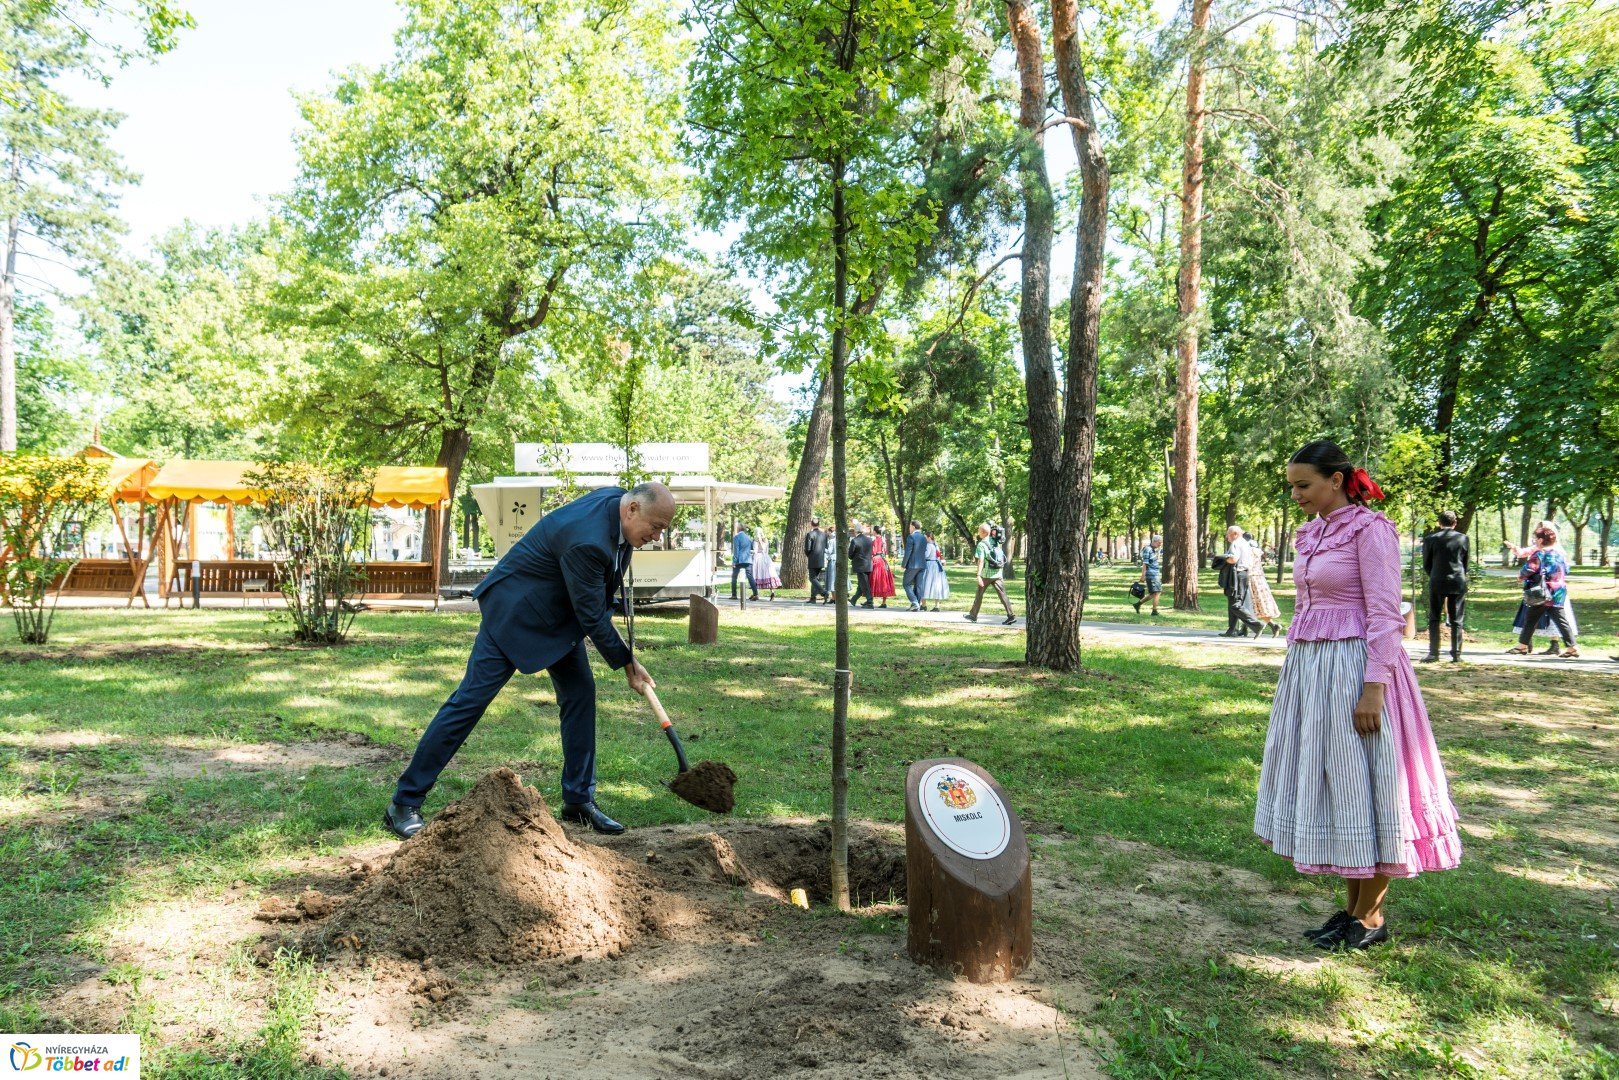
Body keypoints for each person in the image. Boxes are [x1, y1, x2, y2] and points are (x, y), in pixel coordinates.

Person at [1254, 440, 1461, 950]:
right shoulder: (1311, 534)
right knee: (1342, 787)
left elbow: (1386, 614)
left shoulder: (1371, 530)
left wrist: (1373, 690)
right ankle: (1351, 911)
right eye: (1293, 487)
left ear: (1337, 480)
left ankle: (1371, 918)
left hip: (1359, 672)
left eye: (1304, 485)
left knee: (1373, 784)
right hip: (1314, 673)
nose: (1297, 495)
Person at [385, 482, 676, 840]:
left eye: (663, 528)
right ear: (631, 509)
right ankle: (404, 801)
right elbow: (591, 615)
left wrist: (627, 658)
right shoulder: (587, 539)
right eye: (656, 527)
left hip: (556, 614)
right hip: (515, 612)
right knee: (470, 701)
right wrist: (627, 663)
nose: (657, 536)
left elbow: (593, 599)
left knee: (580, 694)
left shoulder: (615, 501)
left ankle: (578, 799)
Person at [1506, 523, 1578, 658]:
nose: (1534, 541)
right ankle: (1572, 647)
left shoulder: (1539, 554)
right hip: (1559, 592)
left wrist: (1521, 576)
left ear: (1540, 540)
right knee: (1561, 620)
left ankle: (1522, 646)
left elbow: (1528, 570)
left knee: (1530, 619)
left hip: (1543, 593)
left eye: (1535, 538)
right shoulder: (1560, 554)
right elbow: (1566, 570)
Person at [1420, 509, 1469, 663]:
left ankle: (1434, 653)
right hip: (1457, 581)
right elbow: (1465, 562)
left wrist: (1434, 574)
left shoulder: (1430, 539)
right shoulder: (1463, 539)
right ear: (1455, 523)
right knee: (1457, 618)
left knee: (1434, 617)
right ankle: (1456, 654)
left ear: (1439, 523)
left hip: (1437, 580)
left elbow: (1426, 563)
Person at [964, 523, 1016, 625]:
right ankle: (1011, 615)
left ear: (983, 532)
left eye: (979, 531)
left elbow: (981, 561)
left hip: (986, 575)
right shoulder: (995, 541)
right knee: (1003, 594)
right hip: (997, 573)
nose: (978, 532)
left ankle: (973, 616)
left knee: (979, 595)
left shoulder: (981, 544)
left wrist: (978, 575)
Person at [1218, 525, 1264, 638]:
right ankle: (1232, 630)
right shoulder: (1245, 543)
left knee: (1235, 604)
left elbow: (1233, 559)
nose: (1226, 536)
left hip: (1237, 575)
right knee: (1234, 602)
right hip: (1244, 575)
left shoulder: (1236, 543)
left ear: (1235, 534)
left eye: (1228, 534)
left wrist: (1222, 559)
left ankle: (1256, 624)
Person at [1242, 534, 1284, 637]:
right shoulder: (1257, 551)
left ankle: (1271, 626)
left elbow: (1247, 565)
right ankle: (1245, 629)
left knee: (1248, 604)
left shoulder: (1248, 551)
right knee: (1259, 605)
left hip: (1251, 578)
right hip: (1259, 578)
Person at [901, 520, 929, 611]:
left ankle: (915, 602)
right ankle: (916, 605)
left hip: (913, 565)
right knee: (918, 585)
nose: (909, 529)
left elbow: (908, 552)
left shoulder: (911, 537)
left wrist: (903, 564)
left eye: (910, 527)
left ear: (913, 527)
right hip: (922, 565)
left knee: (906, 583)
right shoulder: (924, 538)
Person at [803, 518, 831, 604]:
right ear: (819, 524)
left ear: (811, 524)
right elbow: (826, 547)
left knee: (812, 579)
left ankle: (824, 592)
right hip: (821, 559)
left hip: (813, 559)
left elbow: (807, 549)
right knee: (815, 578)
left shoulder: (810, 534)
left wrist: (809, 555)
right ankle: (813, 598)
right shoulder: (824, 535)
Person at [920, 532, 950, 611]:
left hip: (929, 565)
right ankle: (937, 606)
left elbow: (926, 555)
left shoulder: (928, 545)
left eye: (925, 537)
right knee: (936, 584)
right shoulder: (935, 545)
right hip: (937, 565)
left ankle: (923, 604)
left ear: (929, 537)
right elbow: (939, 555)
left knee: (924, 583)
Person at [869, 525, 897, 608]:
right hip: (882, 560)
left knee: (873, 579)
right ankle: (884, 602)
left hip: (875, 560)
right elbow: (885, 551)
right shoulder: (883, 539)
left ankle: (870, 601)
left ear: (874, 531)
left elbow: (873, 551)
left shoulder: (874, 540)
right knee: (884, 580)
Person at [848, 522, 874, 607]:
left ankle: (870, 602)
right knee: (861, 583)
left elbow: (850, 554)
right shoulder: (869, 540)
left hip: (860, 565)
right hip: (868, 564)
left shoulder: (854, 540)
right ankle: (854, 599)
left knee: (864, 584)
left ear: (855, 531)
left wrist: (852, 557)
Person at [1136, 534, 1163, 616]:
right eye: (1159, 543)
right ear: (1154, 541)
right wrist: (1143, 575)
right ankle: (1154, 611)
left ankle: (1137, 604)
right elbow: (1145, 564)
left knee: (1153, 593)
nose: (1160, 544)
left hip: (1155, 574)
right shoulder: (1147, 549)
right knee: (1157, 592)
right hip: (1152, 574)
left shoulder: (1153, 549)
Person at [730, 524, 757, 601]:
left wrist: (734, 562)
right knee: (750, 577)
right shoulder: (748, 537)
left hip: (739, 560)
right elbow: (751, 549)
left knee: (734, 577)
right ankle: (755, 594)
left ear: (738, 529)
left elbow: (736, 551)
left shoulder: (736, 537)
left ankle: (734, 595)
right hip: (748, 560)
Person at [752, 533, 780, 600]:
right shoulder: (766, 540)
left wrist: (749, 552)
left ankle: (756, 594)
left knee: (757, 575)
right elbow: (766, 551)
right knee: (768, 575)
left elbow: (755, 551)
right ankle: (772, 592)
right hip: (766, 558)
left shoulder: (756, 541)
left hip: (758, 558)